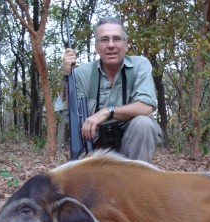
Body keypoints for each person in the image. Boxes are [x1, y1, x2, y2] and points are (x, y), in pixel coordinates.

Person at [62, 16, 163, 163]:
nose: (111, 45)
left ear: (126, 44)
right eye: (104, 40)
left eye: (116, 39)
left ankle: (136, 182)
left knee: (144, 124)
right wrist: (66, 75)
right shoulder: (81, 73)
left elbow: (146, 107)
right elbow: (67, 114)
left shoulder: (140, 65)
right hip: (95, 150)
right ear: (96, 47)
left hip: (131, 149)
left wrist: (106, 112)